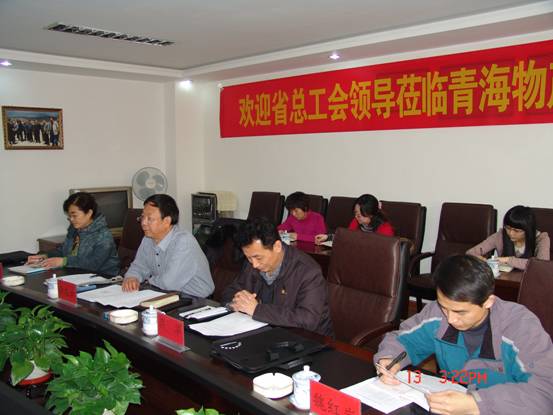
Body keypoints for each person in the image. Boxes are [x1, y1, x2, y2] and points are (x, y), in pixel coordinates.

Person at [375, 254, 553, 415]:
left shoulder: (521, 326)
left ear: (488, 302)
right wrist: (389, 359)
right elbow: (403, 340)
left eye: (460, 312)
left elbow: (545, 392)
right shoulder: (437, 313)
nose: (450, 319)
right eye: (444, 307)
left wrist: (476, 404)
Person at [221, 217, 333, 336]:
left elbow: (308, 320)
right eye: (249, 258)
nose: (254, 264)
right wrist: (237, 301)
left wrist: (257, 309)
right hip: (267, 332)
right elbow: (230, 291)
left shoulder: (308, 271)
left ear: (277, 246)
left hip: (309, 339)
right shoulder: (252, 263)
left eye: (258, 258)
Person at [122, 194, 214, 298]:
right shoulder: (148, 239)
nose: (143, 223)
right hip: (167, 294)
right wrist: (132, 277)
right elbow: (139, 265)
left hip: (196, 300)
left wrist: (147, 281)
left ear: (166, 221)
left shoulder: (184, 242)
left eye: (149, 218)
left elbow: (169, 283)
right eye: (143, 217)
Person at [26, 192, 120, 275]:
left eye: (74, 216)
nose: (71, 219)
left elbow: (94, 264)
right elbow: (63, 251)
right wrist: (45, 256)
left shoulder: (103, 235)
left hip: (102, 277)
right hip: (75, 274)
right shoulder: (74, 229)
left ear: (89, 213)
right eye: (69, 216)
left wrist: (64, 261)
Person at [467, 205, 550, 270]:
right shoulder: (500, 235)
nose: (510, 233)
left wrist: (507, 260)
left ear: (528, 230)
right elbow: (470, 253)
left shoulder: (541, 239)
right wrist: (481, 260)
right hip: (506, 280)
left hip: (531, 281)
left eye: (516, 231)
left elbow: (541, 265)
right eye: (508, 228)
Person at [315, 193, 393, 244]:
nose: (356, 217)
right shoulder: (356, 221)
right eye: (355, 213)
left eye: (359, 215)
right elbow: (346, 237)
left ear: (371, 214)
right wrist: (327, 237)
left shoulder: (385, 228)